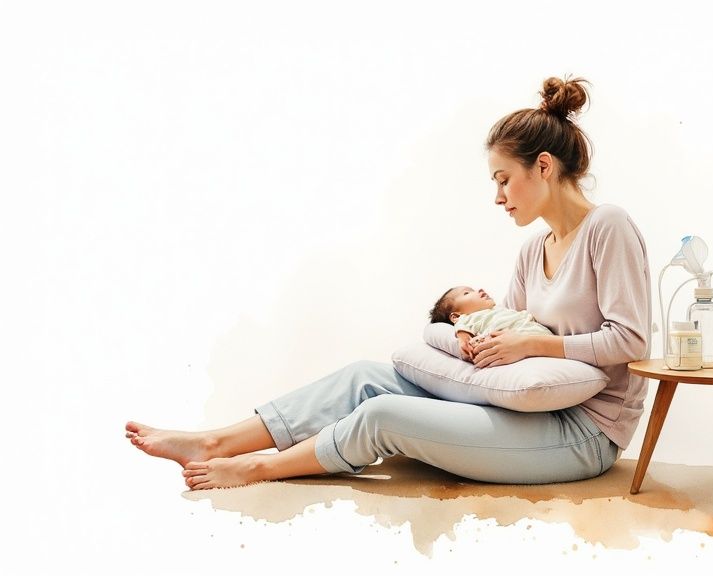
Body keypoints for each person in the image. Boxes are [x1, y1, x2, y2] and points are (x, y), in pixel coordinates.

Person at [125, 75, 652, 490]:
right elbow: (506, 338)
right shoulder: (531, 249)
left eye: (503, 180)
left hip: (582, 434)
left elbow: (631, 341)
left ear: (542, 167)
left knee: (382, 415)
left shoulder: (608, 227)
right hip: (521, 407)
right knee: (363, 377)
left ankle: (261, 469)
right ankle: (215, 443)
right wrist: (475, 341)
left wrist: (537, 343)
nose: (498, 197)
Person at [429, 285, 553, 361]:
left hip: (544, 339)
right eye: (467, 293)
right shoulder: (470, 318)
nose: (480, 290)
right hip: (525, 345)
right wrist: (462, 336)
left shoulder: (500, 309)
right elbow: (462, 328)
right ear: (456, 316)